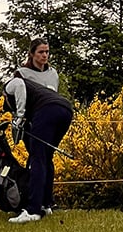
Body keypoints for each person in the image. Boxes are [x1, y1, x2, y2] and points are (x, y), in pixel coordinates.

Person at [5, 73, 73, 224]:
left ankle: (33, 210)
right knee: (46, 157)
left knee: (37, 158)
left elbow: (19, 85)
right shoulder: (37, 89)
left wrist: (19, 116)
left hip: (47, 110)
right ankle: (46, 204)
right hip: (65, 110)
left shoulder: (8, 86)